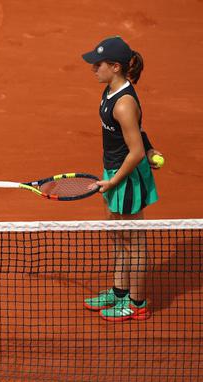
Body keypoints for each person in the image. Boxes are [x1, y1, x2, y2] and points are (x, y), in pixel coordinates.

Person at [79, 36, 164, 322]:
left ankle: (137, 303)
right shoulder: (110, 91)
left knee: (134, 241)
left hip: (125, 178)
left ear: (115, 67)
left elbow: (136, 152)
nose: (93, 68)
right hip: (113, 171)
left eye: (98, 64)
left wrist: (114, 182)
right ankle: (119, 292)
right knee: (118, 235)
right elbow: (137, 133)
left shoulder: (124, 104)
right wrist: (150, 146)